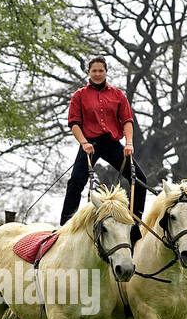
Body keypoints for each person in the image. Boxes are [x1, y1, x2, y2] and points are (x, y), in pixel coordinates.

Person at [61, 56, 149, 223]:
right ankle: (65, 224)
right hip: (90, 144)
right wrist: (84, 143)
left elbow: (127, 120)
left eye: (101, 70)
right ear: (89, 72)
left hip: (112, 144)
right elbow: (74, 122)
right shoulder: (79, 96)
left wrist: (129, 143)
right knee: (75, 182)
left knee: (139, 178)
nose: (98, 74)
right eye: (94, 70)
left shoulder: (117, 95)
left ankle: (135, 221)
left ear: (106, 72)